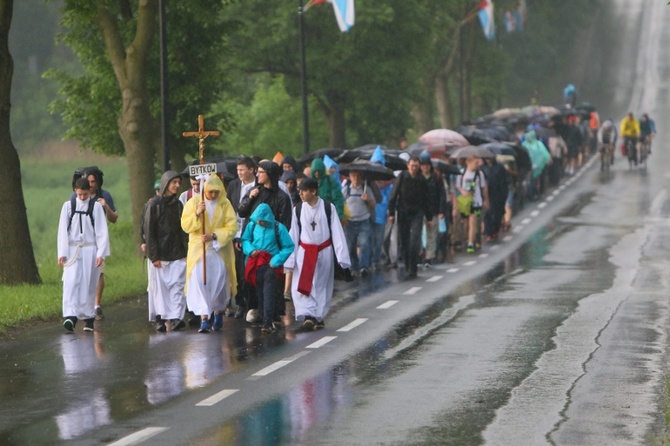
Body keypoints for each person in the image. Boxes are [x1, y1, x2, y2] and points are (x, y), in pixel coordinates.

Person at [284, 178, 350, 330]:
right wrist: (290, 258)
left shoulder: (328, 208)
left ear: (313, 191)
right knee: (300, 285)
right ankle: (308, 315)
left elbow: (337, 232)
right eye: (299, 190)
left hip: (323, 252)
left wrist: (342, 257)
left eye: (304, 190)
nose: (300, 193)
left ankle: (318, 316)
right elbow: (293, 234)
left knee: (321, 286)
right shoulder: (298, 209)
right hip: (304, 253)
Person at [181, 175, 238, 333]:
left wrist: (214, 235)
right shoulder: (193, 203)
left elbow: (232, 226)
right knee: (200, 283)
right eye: (210, 192)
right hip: (199, 251)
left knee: (218, 282)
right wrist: (197, 214)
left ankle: (218, 312)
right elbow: (185, 225)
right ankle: (204, 318)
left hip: (218, 250)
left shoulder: (225, 204)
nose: (213, 195)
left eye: (216, 192)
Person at [238, 161, 292, 323]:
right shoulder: (254, 191)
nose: (257, 175)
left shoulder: (281, 197)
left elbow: (285, 223)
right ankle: (254, 307)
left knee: (271, 278)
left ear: (269, 174)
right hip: (253, 243)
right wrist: (249, 198)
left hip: (271, 246)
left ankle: (272, 312)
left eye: (261, 172)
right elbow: (242, 212)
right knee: (250, 276)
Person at [58, 177, 110, 332]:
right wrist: (62, 252)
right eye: (79, 194)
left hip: (90, 249)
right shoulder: (68, 206)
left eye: (85, 194)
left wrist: (101, 253)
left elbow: (101, 232)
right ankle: (70, 315)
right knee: (71, 281)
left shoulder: (95, 207)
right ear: (75, 191)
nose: (82, 198)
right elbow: (63, 231)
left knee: (88, 282)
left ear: (90, 191)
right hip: (73, 249)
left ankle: (88, 318)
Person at [143, 171, 189, 332]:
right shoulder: (153, 205)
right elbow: (149, 231)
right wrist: (153, 255)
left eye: (178, 182)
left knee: (177, 285)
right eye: (173, 182)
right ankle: (160, 318)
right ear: (165, 184)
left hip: (176, 252)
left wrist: (185, 251)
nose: (177, 185)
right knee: (159, 288)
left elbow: (183, 230)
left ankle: (177, 316)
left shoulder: (178, 205)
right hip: (160, 254)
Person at [71, 167, 117, 321]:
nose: (91, 185)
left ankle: (96, 304)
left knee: (98, 273)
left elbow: (114, 217)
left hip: (97, 242)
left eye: (93, 182)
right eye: (88, 182)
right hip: (80, 243)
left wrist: (106, 206)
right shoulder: (75, 198)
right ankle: (78, 305)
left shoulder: (104, 196)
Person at [241, 203, 294, 333]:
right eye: (258, 220)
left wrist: (276, 260)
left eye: (262, 221)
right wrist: (251, 250)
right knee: (260, 292)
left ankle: (267, 321)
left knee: (268, 291)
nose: (260, 223)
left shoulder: (278, 228)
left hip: (271, 265)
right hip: (257, 264)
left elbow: (288, 246)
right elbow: (245, 240)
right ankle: (266, 318)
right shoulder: (252, 225)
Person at [388, 155, 433, 279]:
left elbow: (427, 199)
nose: (413, 168)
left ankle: (413, 268)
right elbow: (393, 195)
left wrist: (429, 218)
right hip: (403, 211)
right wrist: (391, 213)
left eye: (416, 166)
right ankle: (408, 266)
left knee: (415, 240)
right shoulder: (402, 177)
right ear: (408, 165)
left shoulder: (421, 179)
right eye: (412, 166)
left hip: (417, 213)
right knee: (405, 241)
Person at [226, 156, 257, 319]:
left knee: (249, 270)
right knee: (236, 271)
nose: (239, 173)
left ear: (251, 170)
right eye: (238, 170)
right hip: (235, 231)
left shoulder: (258, 186)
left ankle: (253, 303)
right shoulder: (233, 186)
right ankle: (240, 303)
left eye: (242, 170)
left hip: (250, 233)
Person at [342, 170, 375, 277]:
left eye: (358, 176)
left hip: (364, 220)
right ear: (350, 177)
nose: (356, 178)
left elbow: (373, 205)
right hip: (349, 222)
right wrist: (343, 218)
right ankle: (354, 267)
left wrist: (368, 199)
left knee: (364, 244)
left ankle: (364, 267)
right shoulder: (346, 190)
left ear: (361, 177)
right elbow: (340, 204)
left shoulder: (366, 189)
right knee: (351, 246)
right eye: (353, 175)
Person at [453, 156, 488, 254]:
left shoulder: (479, 174)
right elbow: (458, 185)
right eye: (474, 162)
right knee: (466, 223)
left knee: (474, 221)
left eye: (477, 162)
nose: (476, 164)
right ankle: (468, 238)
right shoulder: (462, 173)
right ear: (468, 162)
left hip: (476, 202)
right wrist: (462, 191)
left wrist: (485, 200)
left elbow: (483, 187)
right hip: (465, 202)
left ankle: (470, 243)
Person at [419, 153, 444, 267]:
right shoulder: (417, 177)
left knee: (431, 234)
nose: (424, 167)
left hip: (433, 209)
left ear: (430, 165)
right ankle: (419, 254)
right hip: (419, 210)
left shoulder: (437, 178)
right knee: (417, 233)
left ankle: (429, 257)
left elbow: (441, 195)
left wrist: (441, 210)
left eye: (426, 165)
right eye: (422, 165)